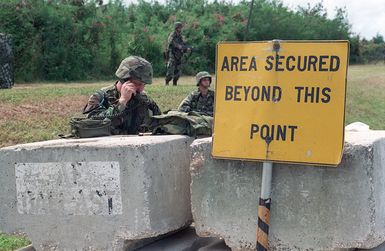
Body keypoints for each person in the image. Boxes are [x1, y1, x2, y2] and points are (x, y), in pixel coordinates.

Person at [83, 56, 161, 134]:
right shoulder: (100, 98)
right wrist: (122, 102)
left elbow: (160, 124)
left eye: (144, 84)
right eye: (138, 84)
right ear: (124, 80)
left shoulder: (145, 100)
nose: (141, 89)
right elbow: (90, 126)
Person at [165, 21, 191, 86]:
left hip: (179, 55)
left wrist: (187, 49)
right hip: (173, 55)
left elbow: (184, 45)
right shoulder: (172, 35)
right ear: (176, 28)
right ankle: (167, 82)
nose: (180, 29)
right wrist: (178, 46)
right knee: (170, 70)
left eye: (181, 28)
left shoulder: (181, 37)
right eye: (179, 28)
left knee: (178, 71)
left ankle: (175, 83)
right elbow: (170, 43)